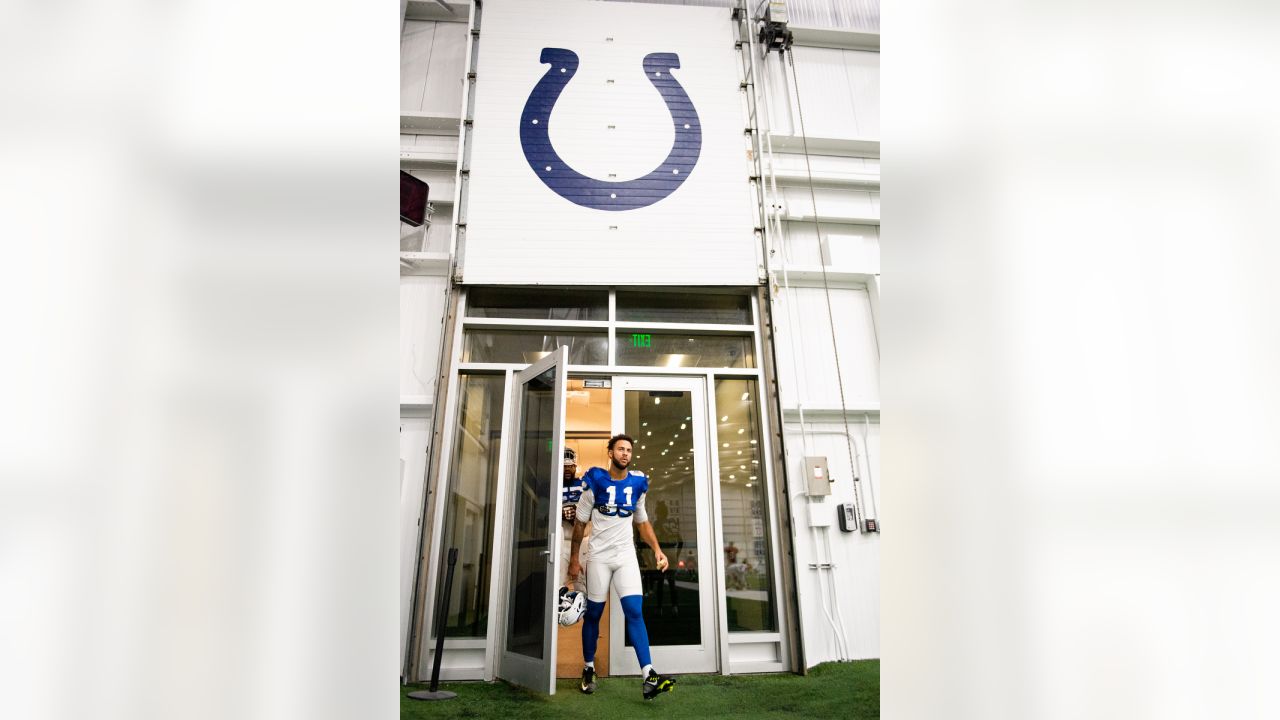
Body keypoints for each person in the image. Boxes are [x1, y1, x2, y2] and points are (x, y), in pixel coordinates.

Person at [567, 434, 676, 701]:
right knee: (593, 614)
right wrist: (574, 559)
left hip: (626, 556)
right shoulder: (595, 480)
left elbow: (643, 522)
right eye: (620, 449)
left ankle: (648, 675)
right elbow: (580, 524)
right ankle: (589, 668)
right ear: (610, 453)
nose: (625, 453)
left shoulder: (638, 483)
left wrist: (658, 550)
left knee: (634, 611)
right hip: (599, 557)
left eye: (629, 450)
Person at [559, 447, 589, 590]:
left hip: (583, 541)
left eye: (570, 466)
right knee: (559, 582)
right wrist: (560, 514)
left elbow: (596, 511)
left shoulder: (584, 484)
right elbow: (541, 517)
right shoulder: (553, 486)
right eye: (564, 466)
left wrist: (579, 511)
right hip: (562, 540)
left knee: (582, 584)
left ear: (575, 467)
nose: (567, 469)